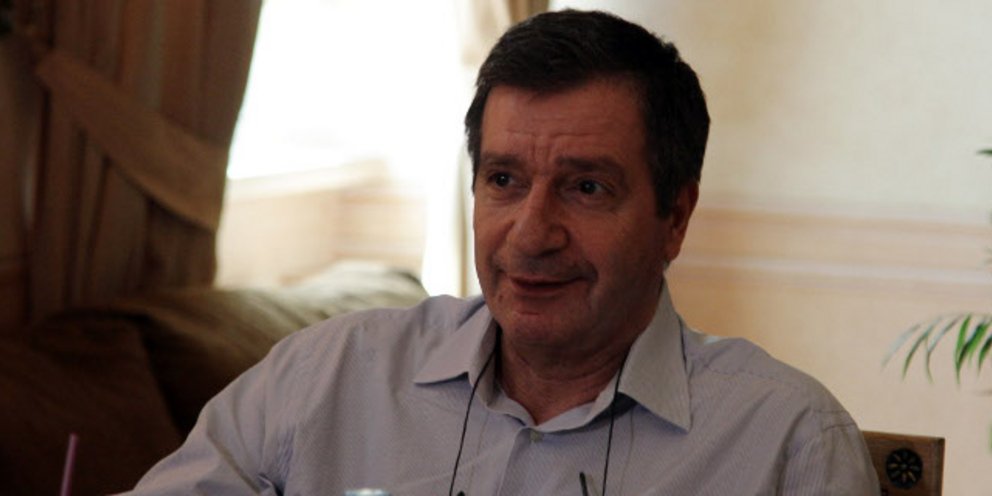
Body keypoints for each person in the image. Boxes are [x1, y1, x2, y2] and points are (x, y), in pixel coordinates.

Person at [125, 9, 879, 495]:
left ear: (674, 218)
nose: (530, 234)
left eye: (587, 188)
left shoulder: (786, 442)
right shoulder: (326, 378)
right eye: (504, 180)